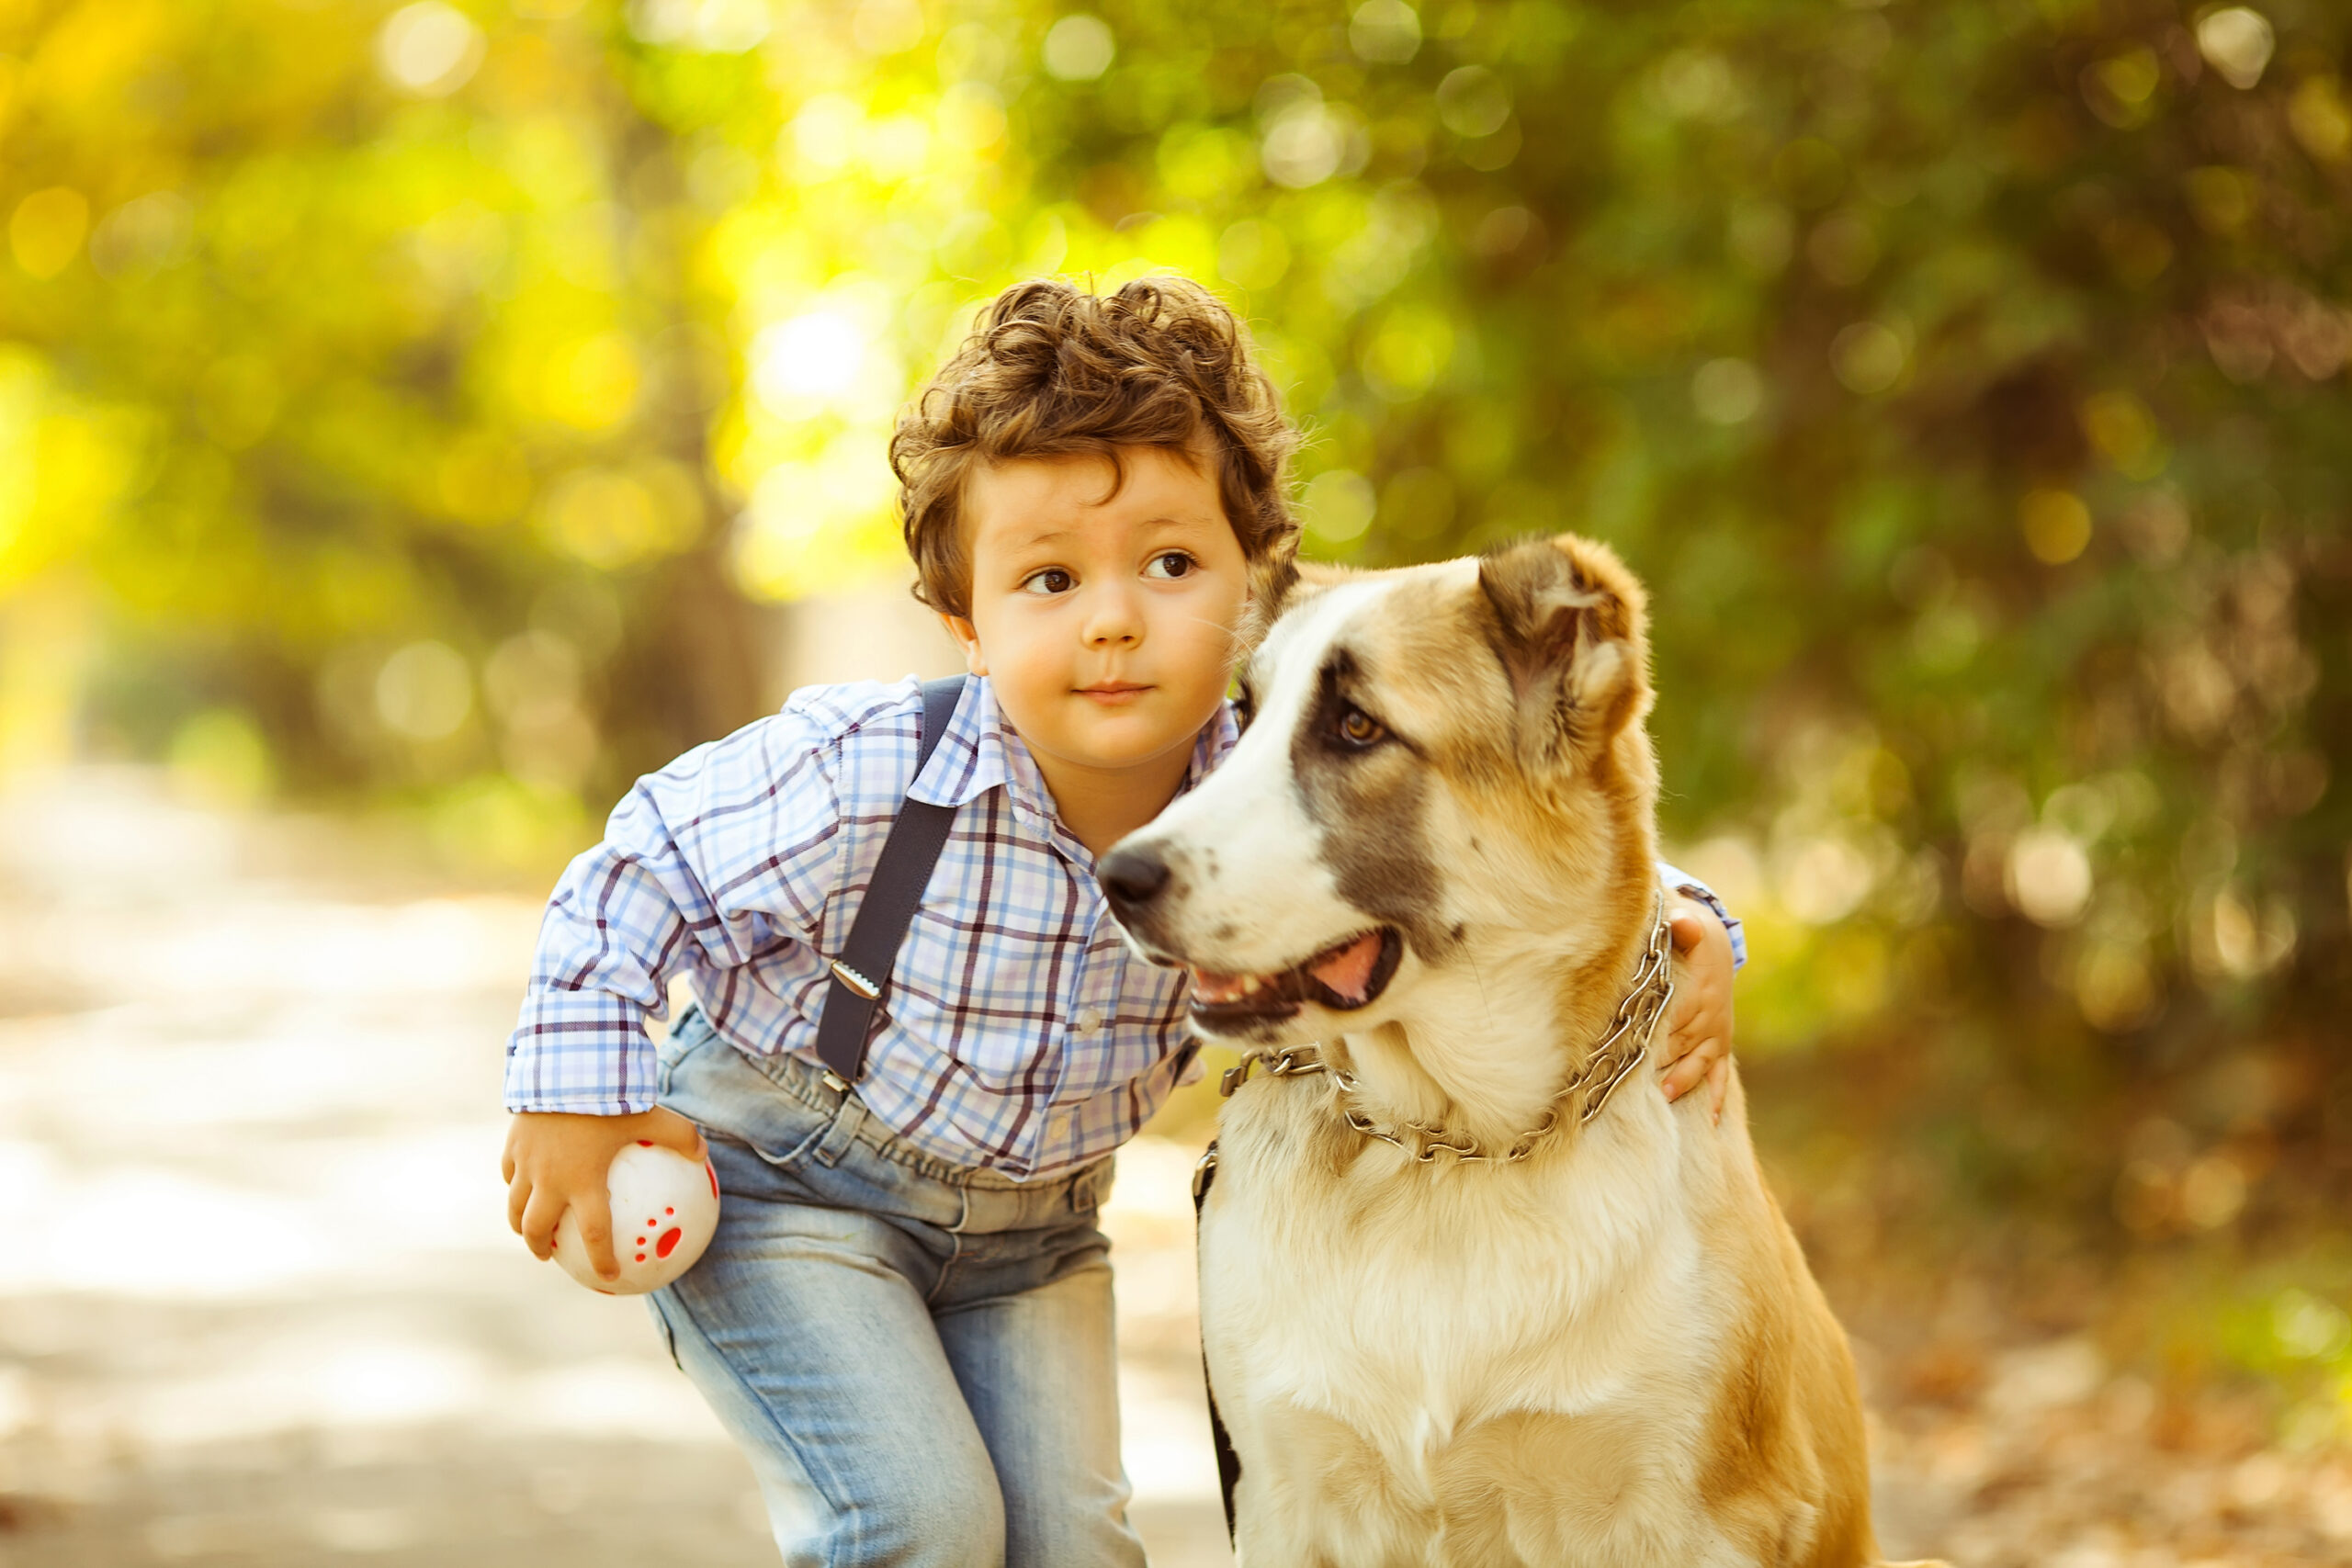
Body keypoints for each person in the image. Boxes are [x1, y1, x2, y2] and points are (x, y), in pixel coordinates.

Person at [498, 276, 1745, 1568]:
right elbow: (638, 866)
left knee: (1079, 1552)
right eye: (1047, 577)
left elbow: (1507, 833)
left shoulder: (1249, 784)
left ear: (1253, 590)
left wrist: (1693, 925)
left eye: (1169, 563)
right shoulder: (867, 768)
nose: (1112, 618)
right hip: (792, 1195)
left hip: (1030, 1239)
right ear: (962, 623)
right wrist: (571, 1095)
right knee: (920, 1523)